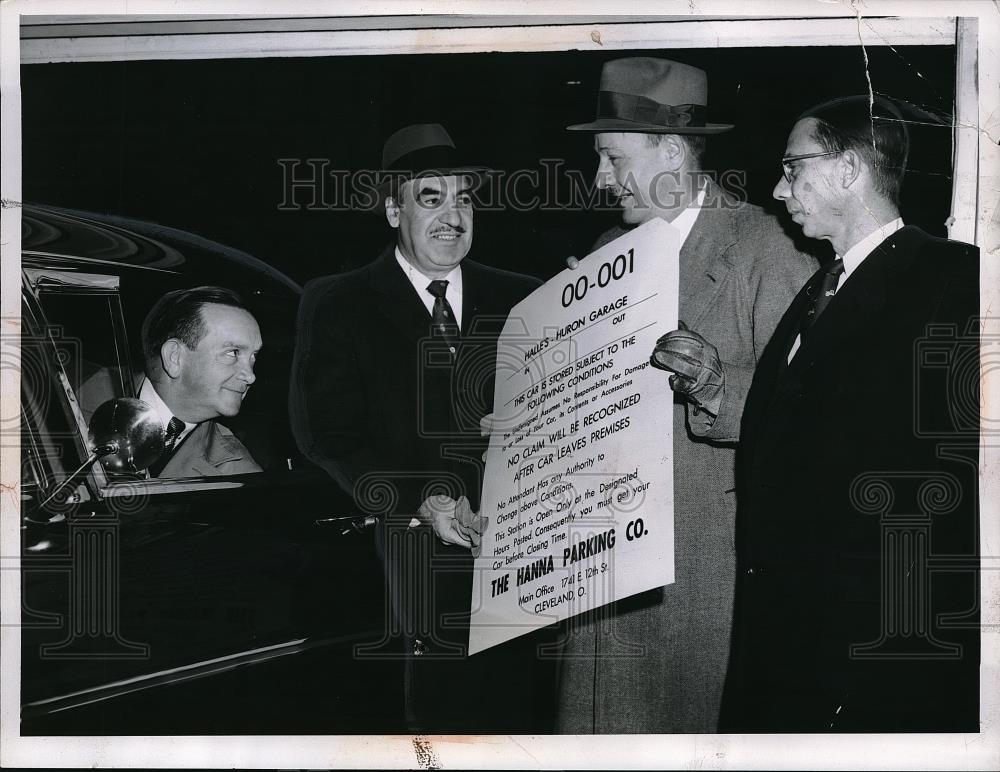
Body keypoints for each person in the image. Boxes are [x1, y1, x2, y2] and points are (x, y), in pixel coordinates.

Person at [555, 56, 817, 733]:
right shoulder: (607, 248)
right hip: (604, 561)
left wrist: (712, 383)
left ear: (672, 151)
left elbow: (805, 412)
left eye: (613, 159)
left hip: (702, 576)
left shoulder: (766, 246)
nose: (599, 179)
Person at [721, 95, 980, 732]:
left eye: (793, 167)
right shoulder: (818, 288)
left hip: (874, 651)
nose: (780, 190)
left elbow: (956, 480)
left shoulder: (953, 278)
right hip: (789, 640)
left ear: (847, 170)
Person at [289, 123, 543, 732]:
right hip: (412, 575)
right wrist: (422, 498)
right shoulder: (338, 302)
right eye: (432, 197)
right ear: (391, 207)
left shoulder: (528, 299)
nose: (453, 215)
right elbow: (328, 437)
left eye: (465, 198)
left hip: (529, 570)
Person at [139, 285, 263, 478]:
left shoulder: (238, 472)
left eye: (253, 356)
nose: (250, 376)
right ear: (175, 357)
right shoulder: (78, 398)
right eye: (232, 353)